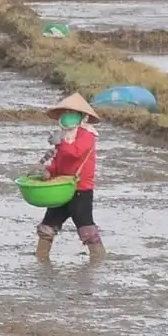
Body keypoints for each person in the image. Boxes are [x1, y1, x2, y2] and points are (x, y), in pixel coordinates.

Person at [33, 93, 104, 262]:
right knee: (48, 226)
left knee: (86, 229)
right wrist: (48, 172)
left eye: (72, 112)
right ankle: (41, 258)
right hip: (61, 189)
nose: (68, 115)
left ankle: (99, 259)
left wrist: (61, 143)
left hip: (80, 190)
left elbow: (75, 154)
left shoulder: (87, 135)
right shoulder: (64, 135)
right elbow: (59, 163)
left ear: (83, 117)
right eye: (66, 111)